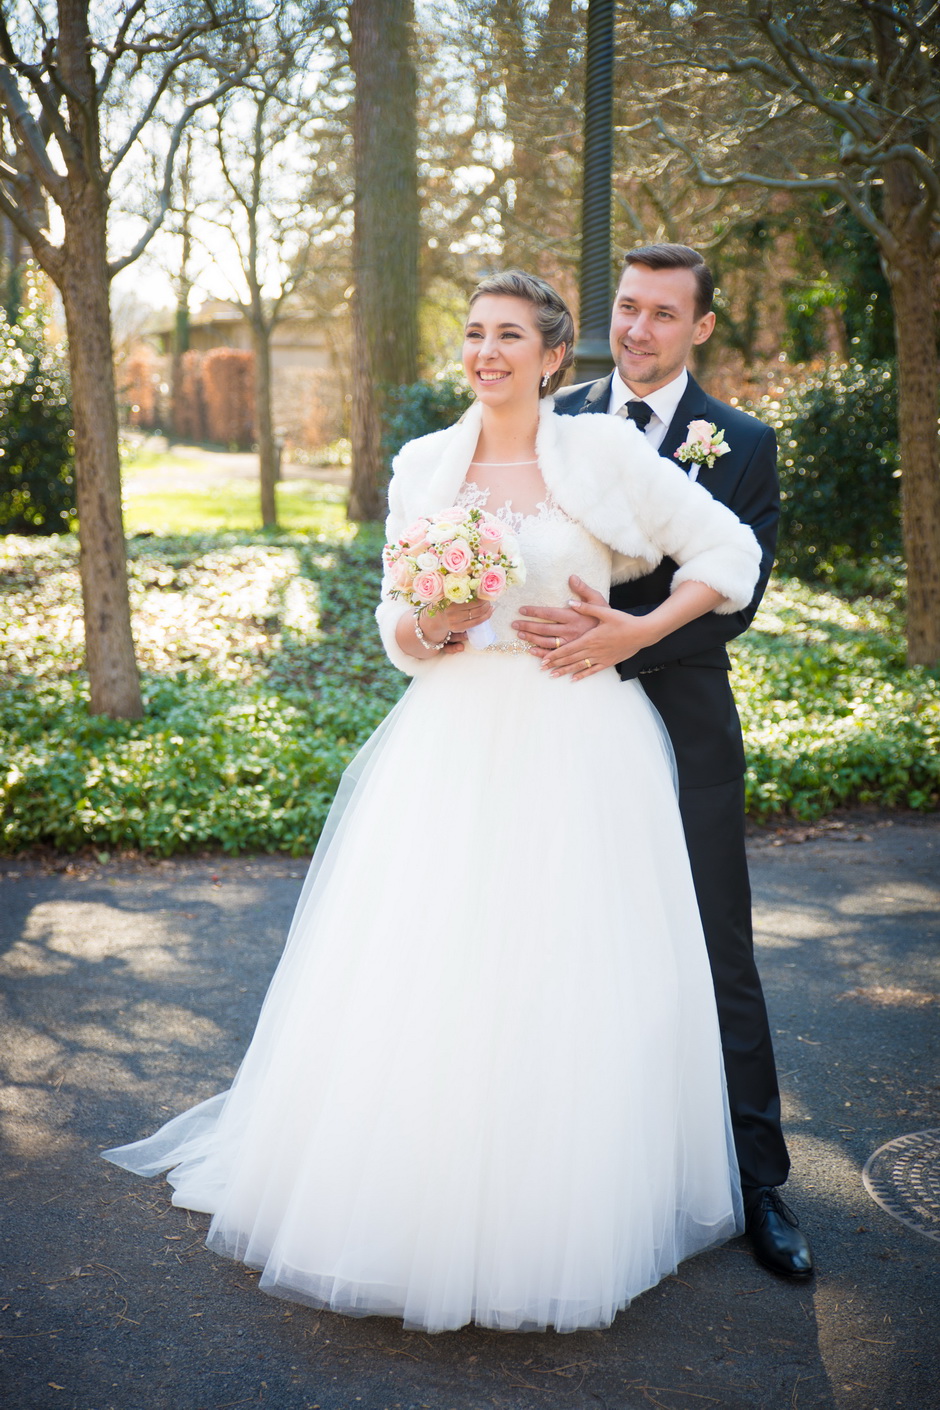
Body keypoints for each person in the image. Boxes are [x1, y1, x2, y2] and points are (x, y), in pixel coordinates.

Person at [103, 270, 764, 1334]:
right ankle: (413, 1198)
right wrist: (440, 623)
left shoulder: (600, 453)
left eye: (509, 335)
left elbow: (730, 554)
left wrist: (631, 633)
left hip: (577, 735)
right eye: (471, 333)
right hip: (450, 742)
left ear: (554, 357)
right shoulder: (424, 465)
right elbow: (396, 633)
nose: (485, 352)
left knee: (563, 968)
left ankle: (554, 1213)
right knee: (433, 962)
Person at [513, 244, 814, 1281]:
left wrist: (622, 635)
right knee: (561, 938)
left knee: (714, 946)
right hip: (557, 725)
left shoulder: (742, 443)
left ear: (699, 328)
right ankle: (581, 1166)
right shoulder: (554, 424)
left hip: (681, 726)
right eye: (625, 308)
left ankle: (757, 1184)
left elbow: (740, 590)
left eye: (659, 313)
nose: (636, 329)